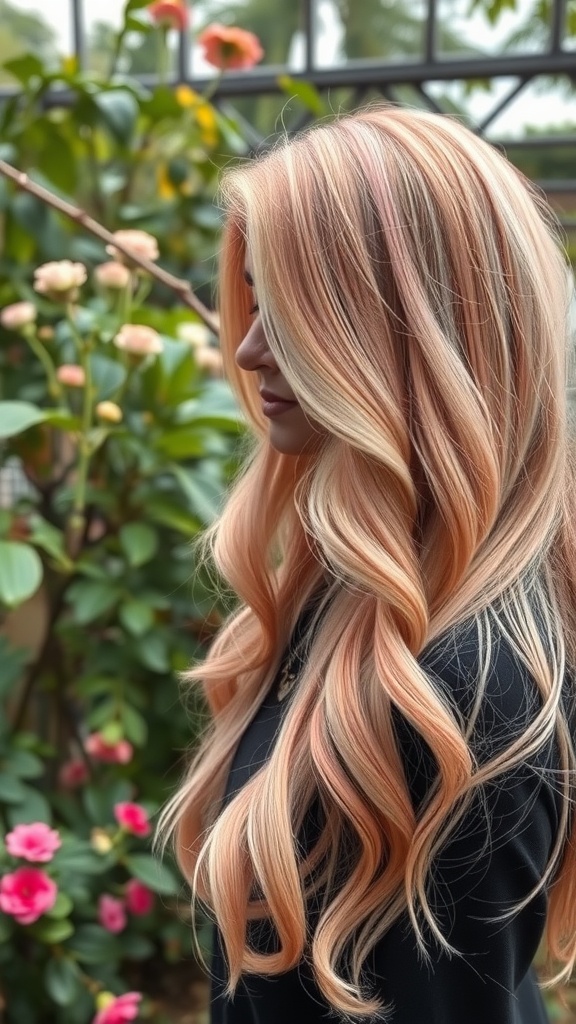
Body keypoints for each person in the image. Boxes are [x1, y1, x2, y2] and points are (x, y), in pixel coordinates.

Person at [159, 106, 576, 1023]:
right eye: (258, 298)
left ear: (413, 332)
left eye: (297, 311)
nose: (248, 347)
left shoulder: (452, 692)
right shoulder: (373, 603)